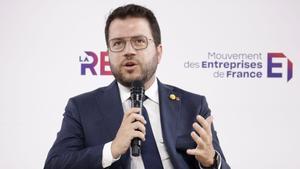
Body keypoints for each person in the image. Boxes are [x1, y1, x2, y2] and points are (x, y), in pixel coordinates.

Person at [44, 4, 230, 169]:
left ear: (159, 52)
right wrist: (112, 149)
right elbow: (54, 164)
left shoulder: (193, 105)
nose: (128, 51)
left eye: (139, 41)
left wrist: (210, 162)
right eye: (118, 43)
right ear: (108, 53)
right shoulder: (82, 108)